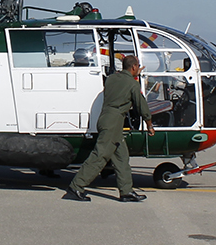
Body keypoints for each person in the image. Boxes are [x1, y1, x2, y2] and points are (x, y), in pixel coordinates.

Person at [66, 54, 155, 202]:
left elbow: (121, 88)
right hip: (114, 122)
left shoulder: (112, 78)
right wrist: (150, 124)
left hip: (106, 118)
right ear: (134, 67)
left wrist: (134, 77)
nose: (138, 69)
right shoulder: (132, 84)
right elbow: (141, 105)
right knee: (99, 156)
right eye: (137, 67)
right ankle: (76, 187)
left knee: (121, 158)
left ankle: (126, 191)